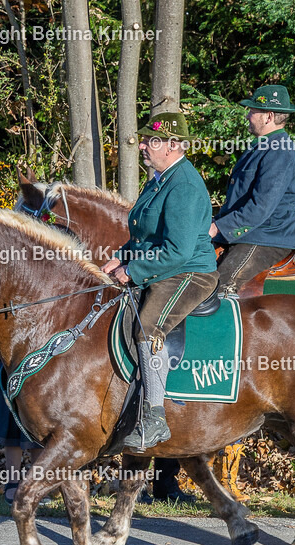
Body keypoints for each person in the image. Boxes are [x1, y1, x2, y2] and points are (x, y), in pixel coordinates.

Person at [101, 111, 219, 451]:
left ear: (172, 146)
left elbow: (177, 250)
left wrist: (134, 271)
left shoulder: (183, 185)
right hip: (165, 265)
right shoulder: (159, 178)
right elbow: (145, 236)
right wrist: (121, 257)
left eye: (150, 140)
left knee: (148, 327)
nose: (142, 146)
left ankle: (154, 419)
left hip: (189, 272)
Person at [210, 85, 295, 296]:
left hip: (267, 236)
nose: (248, 115)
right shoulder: (263, 146)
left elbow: (260, 208)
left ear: (269, 116)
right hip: (250, 232)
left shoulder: (280, 150)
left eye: (253, 111)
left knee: (217, 289)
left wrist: (218, 227)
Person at [0, 360, 43, 506]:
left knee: (39, 426)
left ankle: (37, 485)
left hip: (41, 361)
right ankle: (12, 482)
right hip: (11, 361)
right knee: (11, 424)